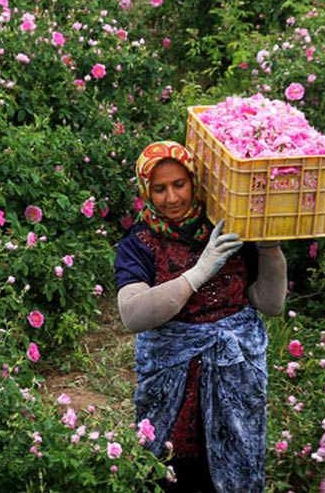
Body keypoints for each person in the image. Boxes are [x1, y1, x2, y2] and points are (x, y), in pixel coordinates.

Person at [114, 140, 288, 493]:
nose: (172, 197)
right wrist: (198, 272)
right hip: (173, 383)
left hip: (234, 377)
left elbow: (268, 304)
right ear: (147, 190)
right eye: (159, 189)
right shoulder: (140, 242)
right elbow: (133, 314)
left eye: (179, 184)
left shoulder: (227, 228)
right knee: (171, 468)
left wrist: (270, 246)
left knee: (231, 467)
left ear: (195, 182)